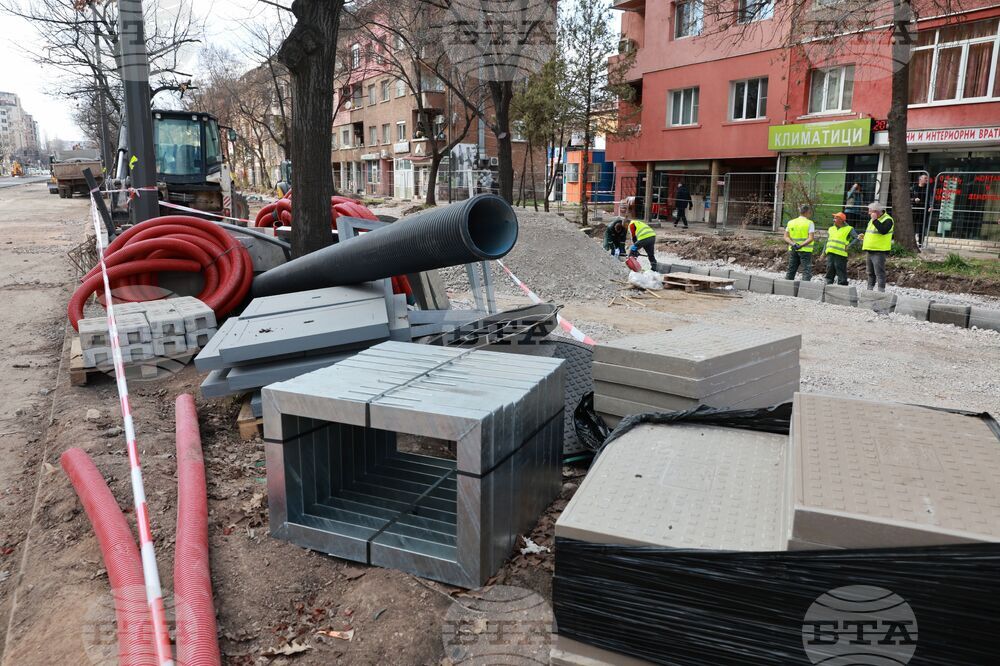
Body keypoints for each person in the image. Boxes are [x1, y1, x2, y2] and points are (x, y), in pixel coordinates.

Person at [858, 202, 894, 292]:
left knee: (879, 273)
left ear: (876, 212)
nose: (868, 213)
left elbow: (883, 231)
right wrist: (864, 237)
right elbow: (873, 233)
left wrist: (875, 220)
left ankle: (881, 291)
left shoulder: (888, 220)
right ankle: (869, 290)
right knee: (870, 272)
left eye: (870, 211)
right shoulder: (873, 220)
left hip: (879, 251)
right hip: (870, 250)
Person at [822, 212, 859, 286]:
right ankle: (828, 283)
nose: (834, 220)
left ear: (841, 220)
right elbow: (827, 241)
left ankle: (842, 285)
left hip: (841, 253)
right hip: (830, 252)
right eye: (834, 218)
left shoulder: (849, 229)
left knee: (840, 269)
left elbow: (857, 238)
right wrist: (823, 252)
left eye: (836, 218)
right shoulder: (831, 228)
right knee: (829, 268)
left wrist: (849, 246)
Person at [784, 203, 816, 281]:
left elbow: (786, 237)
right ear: (807, 212)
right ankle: (805, 289)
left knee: (791, 269)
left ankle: (786, 286)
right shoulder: (810, 223)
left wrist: (794, 244)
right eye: (809, 212)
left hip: (793, 249)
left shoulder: (791, 222)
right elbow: (810, 238)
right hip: (805, 250)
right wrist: (800, 245)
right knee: (806, 270)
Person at [910, 174, 930, 247]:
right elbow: (908, 198)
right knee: (913, 226)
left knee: (922, 227)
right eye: (925, 178)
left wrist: (930, 206)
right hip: (915, 209)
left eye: (927, 179)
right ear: (920, 179)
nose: (927, 180)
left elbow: (930, 198)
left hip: (924, 210)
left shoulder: (928, 188)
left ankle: (921, 243)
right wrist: (914, 200)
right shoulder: (913, 188)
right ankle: (912, 242)